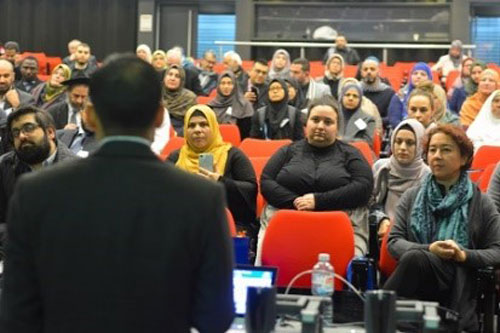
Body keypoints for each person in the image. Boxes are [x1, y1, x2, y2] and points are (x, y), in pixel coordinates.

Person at [0, 54, 235, 333]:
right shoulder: (202, 197)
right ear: (160, 116)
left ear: (89, 115)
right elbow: (216, 317)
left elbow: (16, 313)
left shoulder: (34, 193)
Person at [383, 124, 500, 332]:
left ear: (464, 158)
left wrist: (463, 255)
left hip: (458, 282)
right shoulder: (412, 196)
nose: (437, 156)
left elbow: (497, 251)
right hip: (416, 282)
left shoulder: (481, 203)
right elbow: (394, 242)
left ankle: (378, 311)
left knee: (414, 257)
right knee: (417, 258)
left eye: (446, 150)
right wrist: (429, 249)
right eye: (432, 150)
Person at [256, 96, 374, 263]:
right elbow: (267, 181)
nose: (320, 126)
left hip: (339, 224)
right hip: (288, 220)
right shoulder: (288, 151)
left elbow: (364, 187)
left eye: (328, 122)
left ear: (337, 127)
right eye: (315, 120)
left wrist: (318, 201)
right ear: (307, 123)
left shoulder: (351, 154)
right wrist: (296, 201)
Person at [168, 104, 257, 232]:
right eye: (191, 125)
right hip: (183, 224)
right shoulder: (175, 157)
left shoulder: (232, 154)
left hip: (226, 224)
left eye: (204, 124)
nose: (197, 130)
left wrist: (220, 182)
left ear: (214, 127)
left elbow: (250, 189)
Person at [0, 106, 76, 246]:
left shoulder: (76, 171)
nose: (21, 136)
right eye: (15, 132)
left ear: (50, 132)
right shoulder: (5, 166)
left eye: (28, 128)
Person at [371, 119, 430, 237]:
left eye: (410, 143)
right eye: (398, 141)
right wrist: (382, 220)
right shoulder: (381, 167)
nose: (402, 147)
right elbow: (370, 203)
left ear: (419, 145)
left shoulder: (427, 175)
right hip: (378, 229)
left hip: (411, 236)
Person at [208, 71, 254, 139]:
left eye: (229, 83)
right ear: (218, 86)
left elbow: (246, 134)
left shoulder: (244, 105)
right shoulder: (210, 106)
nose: (226, 86)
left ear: (235, 86)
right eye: (223, 83)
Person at [388, 62, 433, 129]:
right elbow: (394, 120)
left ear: (429, 78)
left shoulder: (435, 95)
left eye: (423, 74)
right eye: (415, 73)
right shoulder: (400, 95)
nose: (418, 76)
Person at [360, 57, 395, 128]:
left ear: (379, 72)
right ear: (361, 72)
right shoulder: (355, 91)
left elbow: (391, 117)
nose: (368, 72)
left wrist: (372, 122)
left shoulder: (388, 93)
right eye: (365, 69)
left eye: (372, 69)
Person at [161, 64, 197, 136]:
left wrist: (177, 134)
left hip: (180, 134)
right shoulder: (155, 93)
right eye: (170, 74)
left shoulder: (189, 98)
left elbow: (192, 124)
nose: (172, 78)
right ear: (165, 77)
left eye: (177, 76)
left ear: (182, 80)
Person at [338, 82, 376, 146]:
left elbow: (367, 142)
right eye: (347, 95)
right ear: (342, 97)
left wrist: (343, 140)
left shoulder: (367, 119)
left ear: (360, 100)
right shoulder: (333, 115)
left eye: (355, 96)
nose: (351, 98)